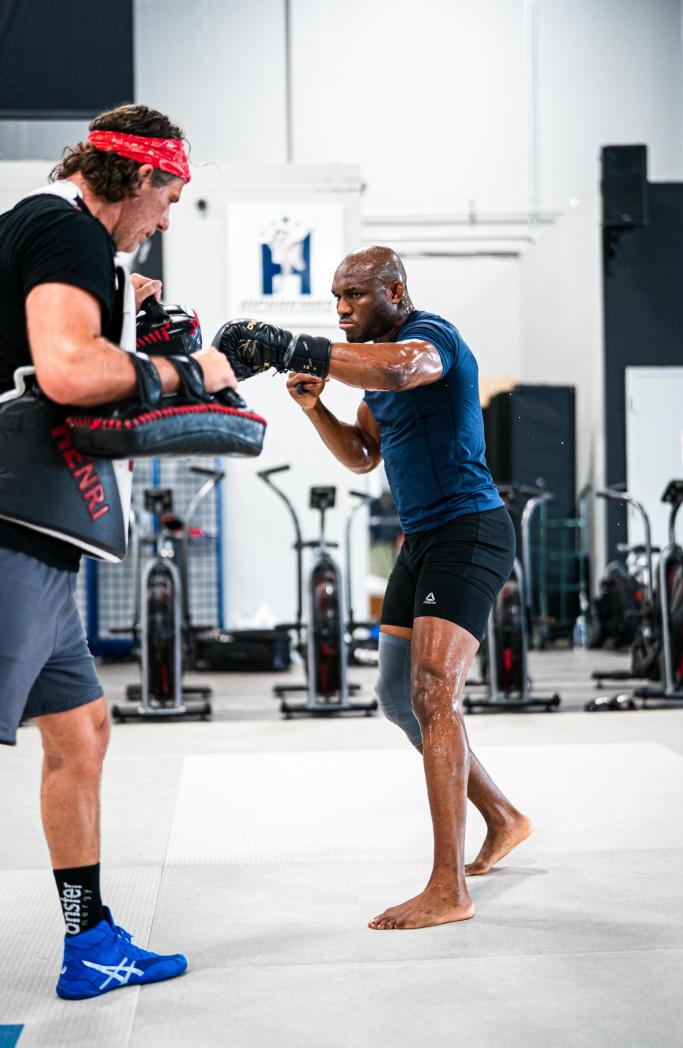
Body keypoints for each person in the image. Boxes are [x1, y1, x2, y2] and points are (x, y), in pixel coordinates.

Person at [215, 246, 532, 930]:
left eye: (353, 297)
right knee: (397, 697)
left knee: (433, 692)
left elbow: (404, 366)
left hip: (469, 531)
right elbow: (363, 457)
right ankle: (503, 816)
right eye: (335, 299)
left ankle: (449, 887)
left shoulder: (431, 338)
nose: (341, 310)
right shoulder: (372, 385)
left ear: (394, 290)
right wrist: (314, 409)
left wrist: (298, 346)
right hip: (421, 542)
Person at [0, 103, 237, 998]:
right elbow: (65, 372)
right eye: (167, 197)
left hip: (46, 537)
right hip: (11, 529)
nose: (168, 219)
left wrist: (122, 318)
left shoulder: (46, 232)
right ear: (135, 180)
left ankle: (88, 940)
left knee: (84, 731)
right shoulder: (67, 234)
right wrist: (186, 372)